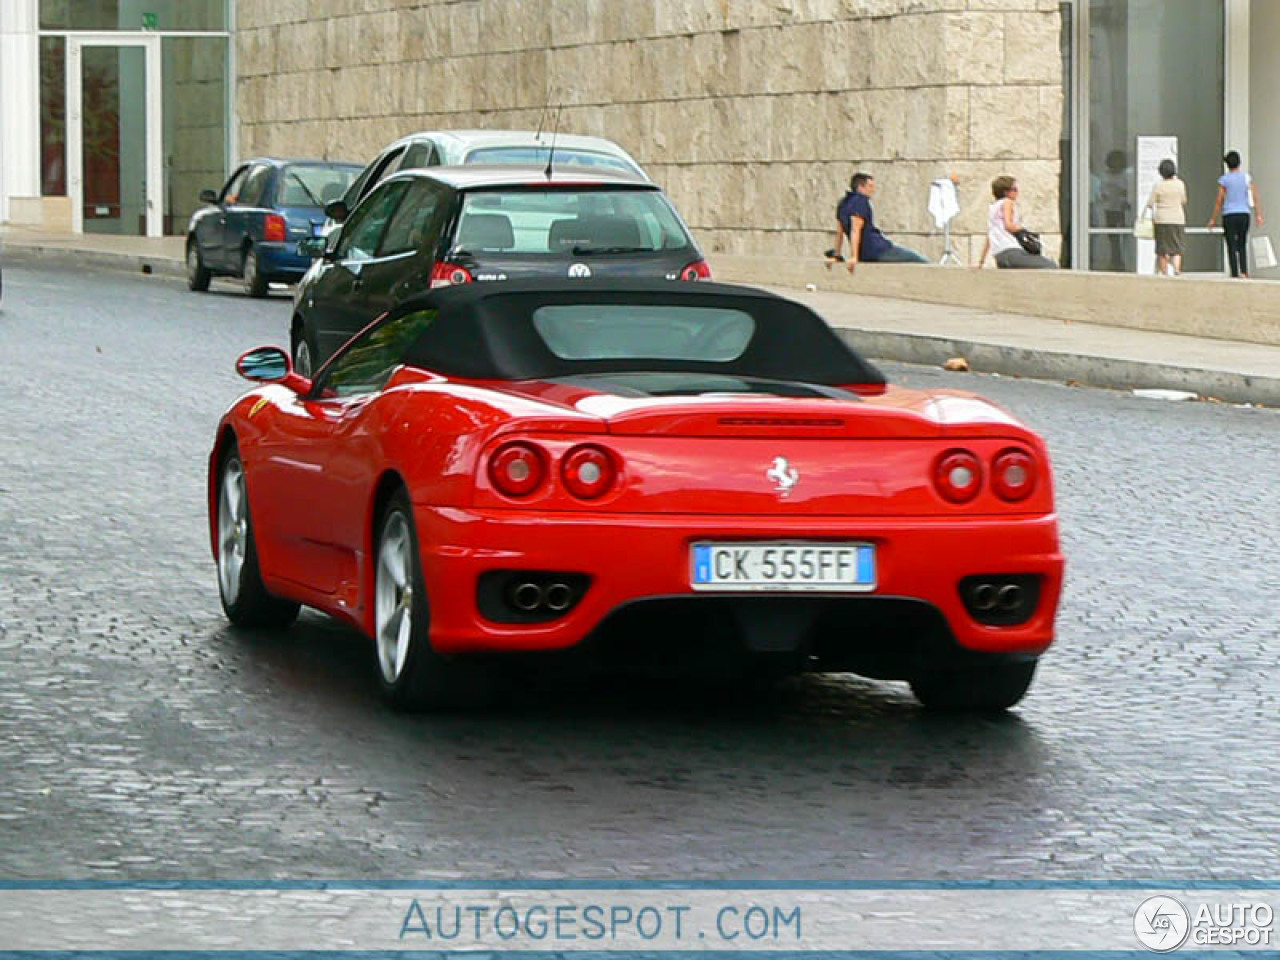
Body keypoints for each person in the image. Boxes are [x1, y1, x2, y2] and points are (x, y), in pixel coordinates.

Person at [831, 172, 928, 273]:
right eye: (870, 186)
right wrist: (854, 257)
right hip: (878, 249)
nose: (873, 190)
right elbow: (855, 230)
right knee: (922, 262)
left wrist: (836, 255)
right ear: (860, 187)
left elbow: (840, 232)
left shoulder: (843, 203)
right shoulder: (860, 200)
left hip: (866, 253)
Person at [976, 175, 1057, 269]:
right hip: (1011, 250)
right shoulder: (1007, 202)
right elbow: (1008, 225)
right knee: (1050, 265)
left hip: (1000, 256)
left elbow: (990, 237)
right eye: (1014, 189)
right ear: (1006, 192)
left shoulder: (993, 207)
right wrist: (1024, 231)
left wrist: (981, 262)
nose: (1017, 192)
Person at [1208, 150, 1264, 278]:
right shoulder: (1246, 178)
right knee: (1242, 243)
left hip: (1229, 214)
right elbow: (1254, 196)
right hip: (1244, 213)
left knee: (1231, 244)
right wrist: (1258, 214)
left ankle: (1234, 273)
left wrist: (1213, 218)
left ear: (1227, 164)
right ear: (1239, 162)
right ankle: (1244, 271)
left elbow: (1219, 200)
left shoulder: (1224, 180)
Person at [1143, 158, 1187, 276]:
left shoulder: (1159, 186)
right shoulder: (1180, 184)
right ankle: (1177, 269)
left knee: (1162, 249)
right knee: (1177, 248)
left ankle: (1164, 273)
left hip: (1162, 220)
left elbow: (1150, 203)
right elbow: (1184, 200)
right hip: (1177, 219)